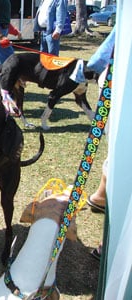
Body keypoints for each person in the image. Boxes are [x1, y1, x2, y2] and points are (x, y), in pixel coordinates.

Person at [85, 28, 115, 260]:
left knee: (117, 153)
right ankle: (113, 243)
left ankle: (101, 197)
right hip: (118, 85)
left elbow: (98, 60)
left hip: (114, 84)